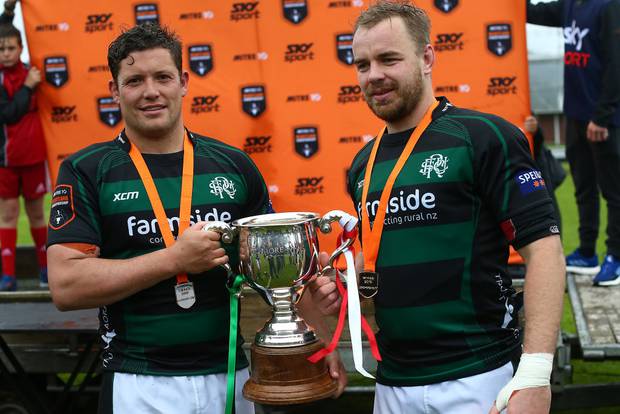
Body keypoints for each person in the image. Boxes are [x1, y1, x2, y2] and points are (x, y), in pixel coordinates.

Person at [46, 23, 345, 413]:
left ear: (184, 82)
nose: (151, 91)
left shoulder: (233, 165)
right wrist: (174, 260)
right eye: (134, 80)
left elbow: (283, 271)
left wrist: (322, 343)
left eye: (163, 77)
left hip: (231, 378)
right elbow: (66, 285)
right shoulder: (88, 170)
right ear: (114, 90)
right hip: (138, 382)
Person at [311, 2, 565, 413]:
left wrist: (535, 375)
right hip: (392, 384)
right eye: (362, 64)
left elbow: (545, 252)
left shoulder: (485, 137)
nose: (373, 75)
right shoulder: (363, 164)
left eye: (388, 59)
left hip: (477, 376)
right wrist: (337, 287)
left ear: (427, 57)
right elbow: (382, 253)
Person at [527, 0, 620, 285]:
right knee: (583, 187)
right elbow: (532, 12)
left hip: (604, 119)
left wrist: (602, 117)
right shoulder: (568, 5)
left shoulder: (608, 6)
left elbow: (616, 65)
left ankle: (615, 256)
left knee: (614, 192)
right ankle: (588, 252)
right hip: (576, 115)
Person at [0, 0, 48, 291]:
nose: (5, 54)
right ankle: (8, 276)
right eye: (0, 49)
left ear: (20, 48)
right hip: (5, 160)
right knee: (8, 215)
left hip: (33, 157)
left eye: (10, 48)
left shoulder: (33, 70)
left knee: (37, 213)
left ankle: (45, 272)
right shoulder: (21, 78)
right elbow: (8, 113)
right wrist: (29, 86)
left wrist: (8, 12)